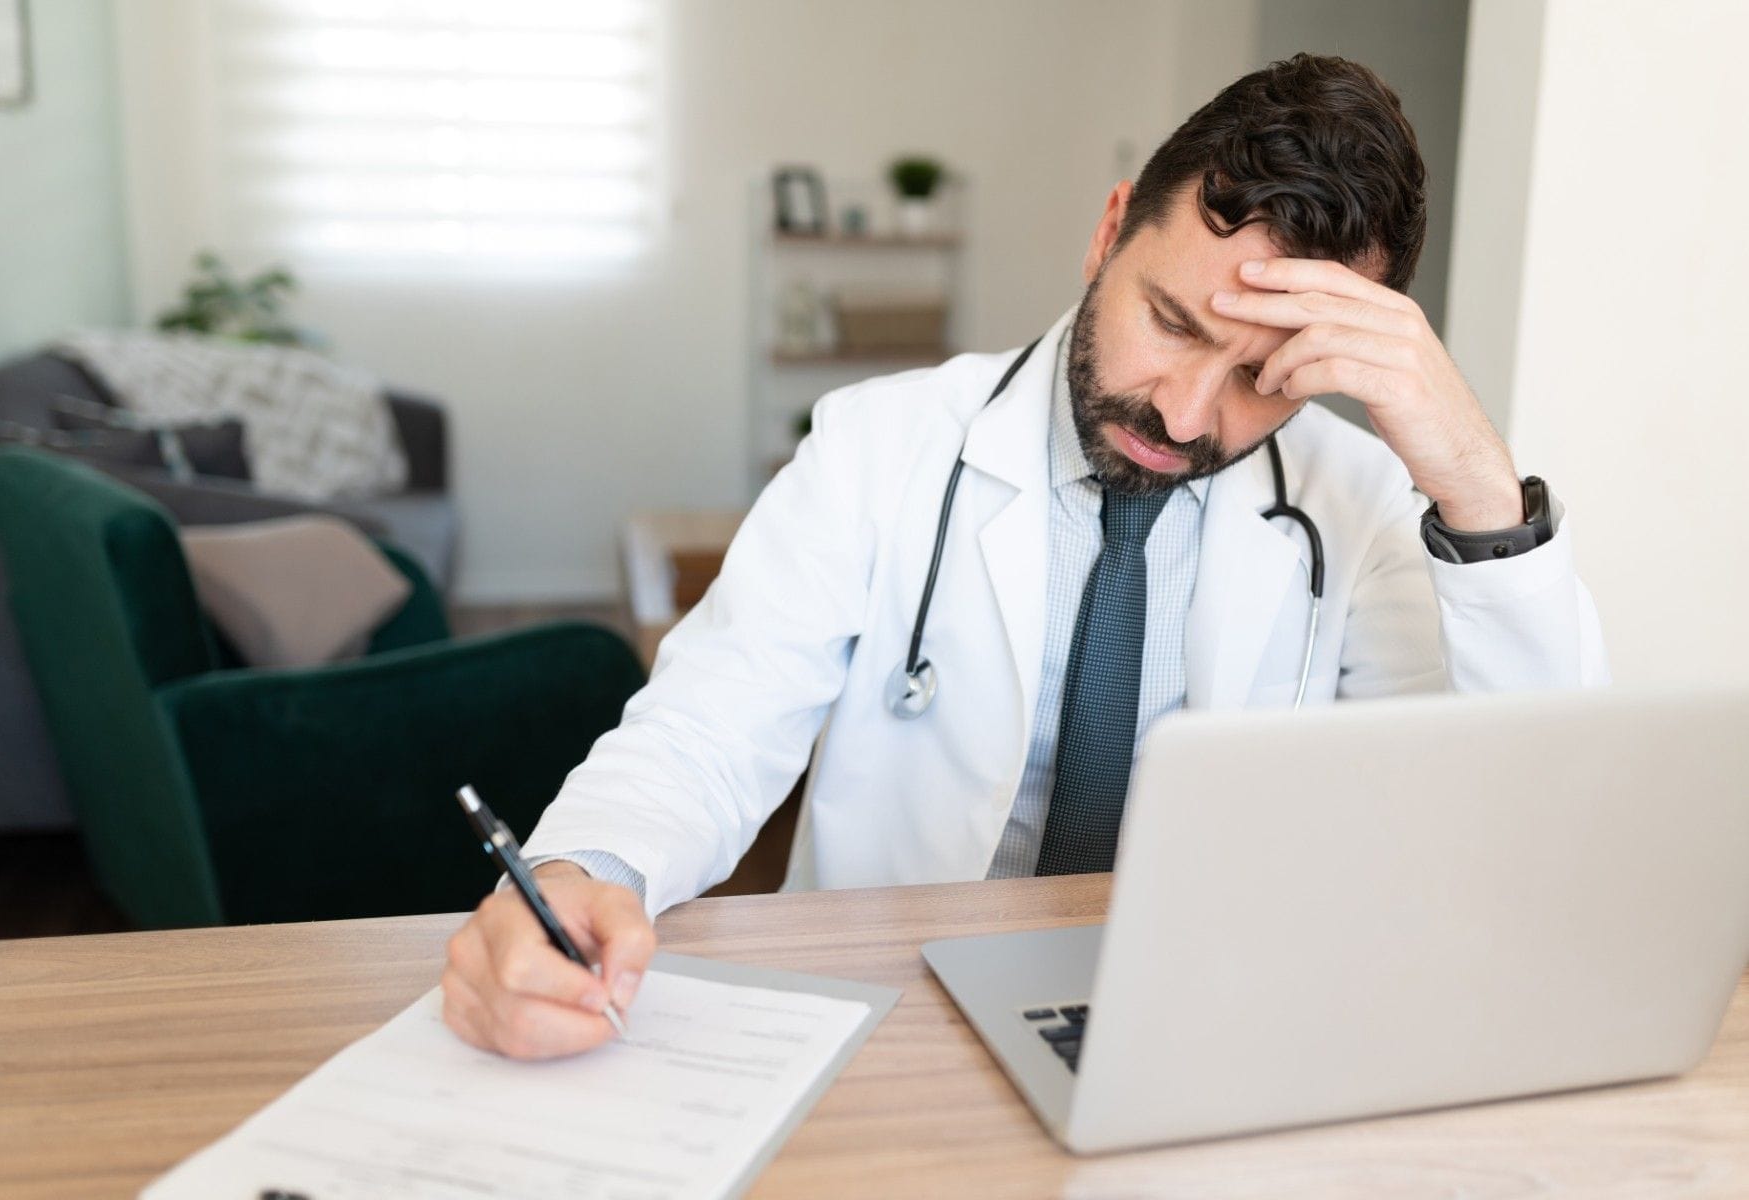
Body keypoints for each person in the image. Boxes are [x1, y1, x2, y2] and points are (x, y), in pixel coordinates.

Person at [441, 53, 1608, 1059]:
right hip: (886, 1024)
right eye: (1174, 324)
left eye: (1262, 376)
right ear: (1107, 234)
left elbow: (1517, 829)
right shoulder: (879, 445)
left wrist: (1469, 479)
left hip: (1210, 1032)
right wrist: (588, 873)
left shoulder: (1357, 510)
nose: (1189, 416)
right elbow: (703, 734)